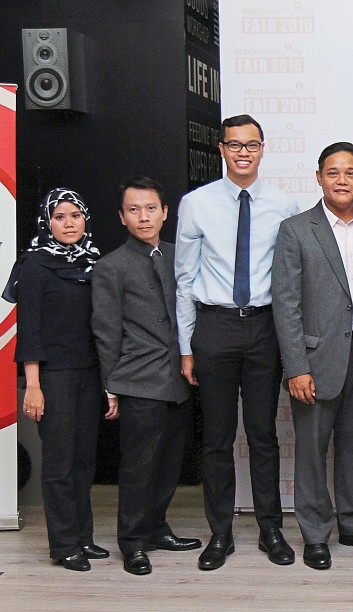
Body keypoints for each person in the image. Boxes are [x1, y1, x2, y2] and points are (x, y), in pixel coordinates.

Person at [175, 114, 300, 570]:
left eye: (252, 144)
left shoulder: (286, 205)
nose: (243, 152)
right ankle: (220, 534)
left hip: (265, 327)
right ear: (222, 150)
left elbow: (292, 277)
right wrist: (186, 345)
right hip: (215, 327)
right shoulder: (196, 204)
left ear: (263, 149)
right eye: (234, 144)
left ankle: (271, 530)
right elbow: (184, 277)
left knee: (264, 435)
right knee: (217, 438)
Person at [271, 142, 353, 571]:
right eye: (333, 172)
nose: (342, 180)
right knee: (312, 450)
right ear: (318, 177)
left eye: (351, 173)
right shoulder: (296, 229)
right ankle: (316, 534)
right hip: (316, 359)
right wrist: (296, 366)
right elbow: (286, 304)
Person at [91, 177, 203, 575]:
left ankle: (157, 527)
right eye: (134, 210)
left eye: (151, 208)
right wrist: (111, 386)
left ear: (165, 212)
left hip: (179, 378)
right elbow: (106, 332)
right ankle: (133, 542)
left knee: (170, 463)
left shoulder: (181, 255)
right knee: (138, 466)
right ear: (122, 217)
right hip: (138, 378)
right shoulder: (110, 266)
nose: (144, 217)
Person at [7, 188, 114, 571]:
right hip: (54, 376)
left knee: (84, 461)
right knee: (59, 463)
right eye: (59, 217)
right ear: (47, 222)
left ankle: (83, 538)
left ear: (85, 218)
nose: (68, 224)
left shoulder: (93, 261)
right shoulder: (34, 265)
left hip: (90, 373)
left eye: (74, 216)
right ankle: (63, 545)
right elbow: (30, 329)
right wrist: (33, 385)